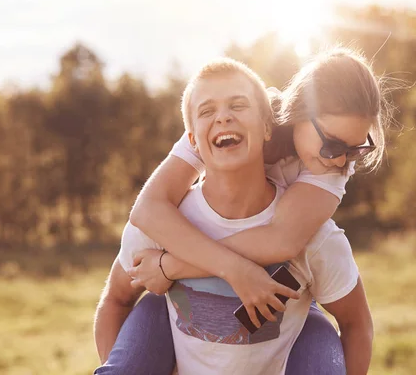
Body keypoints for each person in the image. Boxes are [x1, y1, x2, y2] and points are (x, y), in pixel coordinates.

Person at [94, 58, 374, 375]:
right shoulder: (166, 223)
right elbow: (144, 215)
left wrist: (170, 266)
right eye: (333, 144)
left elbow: (283, 240)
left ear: (266, 126)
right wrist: (233, 268)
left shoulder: (325, 196)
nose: (341, 160)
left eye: (355, 150)